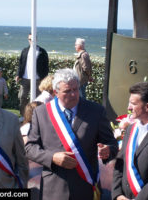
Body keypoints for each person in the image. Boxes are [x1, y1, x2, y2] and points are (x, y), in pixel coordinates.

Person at [25, 68, 118, 200]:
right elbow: (30, 148)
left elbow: (112, 143)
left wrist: (107, 150)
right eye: (68, 91)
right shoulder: (41, 113)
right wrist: (52, 157)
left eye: (76, 89)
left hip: (84, 187)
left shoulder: (96, 111)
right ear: (56, 92)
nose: (74, 94)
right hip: (53, 188)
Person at [15, 34, 49, 115]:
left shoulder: (42, 51)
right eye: (30, 39)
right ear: (28, 40)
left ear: (36, 40)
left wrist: (44, 78)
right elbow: (21, 64)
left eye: (33, 39)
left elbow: (46, 66)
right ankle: (23, 114)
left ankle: (36, 115)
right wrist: (18, 75)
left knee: (37, 99)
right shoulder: (25, 51)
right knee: (22, 96)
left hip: (37, 79)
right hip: (25, 78)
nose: (31, 41)